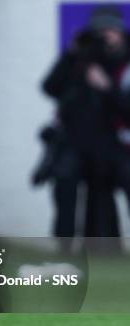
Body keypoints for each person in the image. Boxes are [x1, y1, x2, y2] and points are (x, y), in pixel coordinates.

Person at [41, 5, 130, 244]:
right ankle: (65, 244)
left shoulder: (124, 62)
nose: (104, 37)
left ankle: (105, 244)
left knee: (104, 190)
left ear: (121, 32)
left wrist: (107, 86)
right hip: (75, 141)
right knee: (65, 180)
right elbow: (50, 88)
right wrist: (71, 54)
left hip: (113, 143)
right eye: (99, 32)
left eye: (110, 30)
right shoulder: (80, 58)